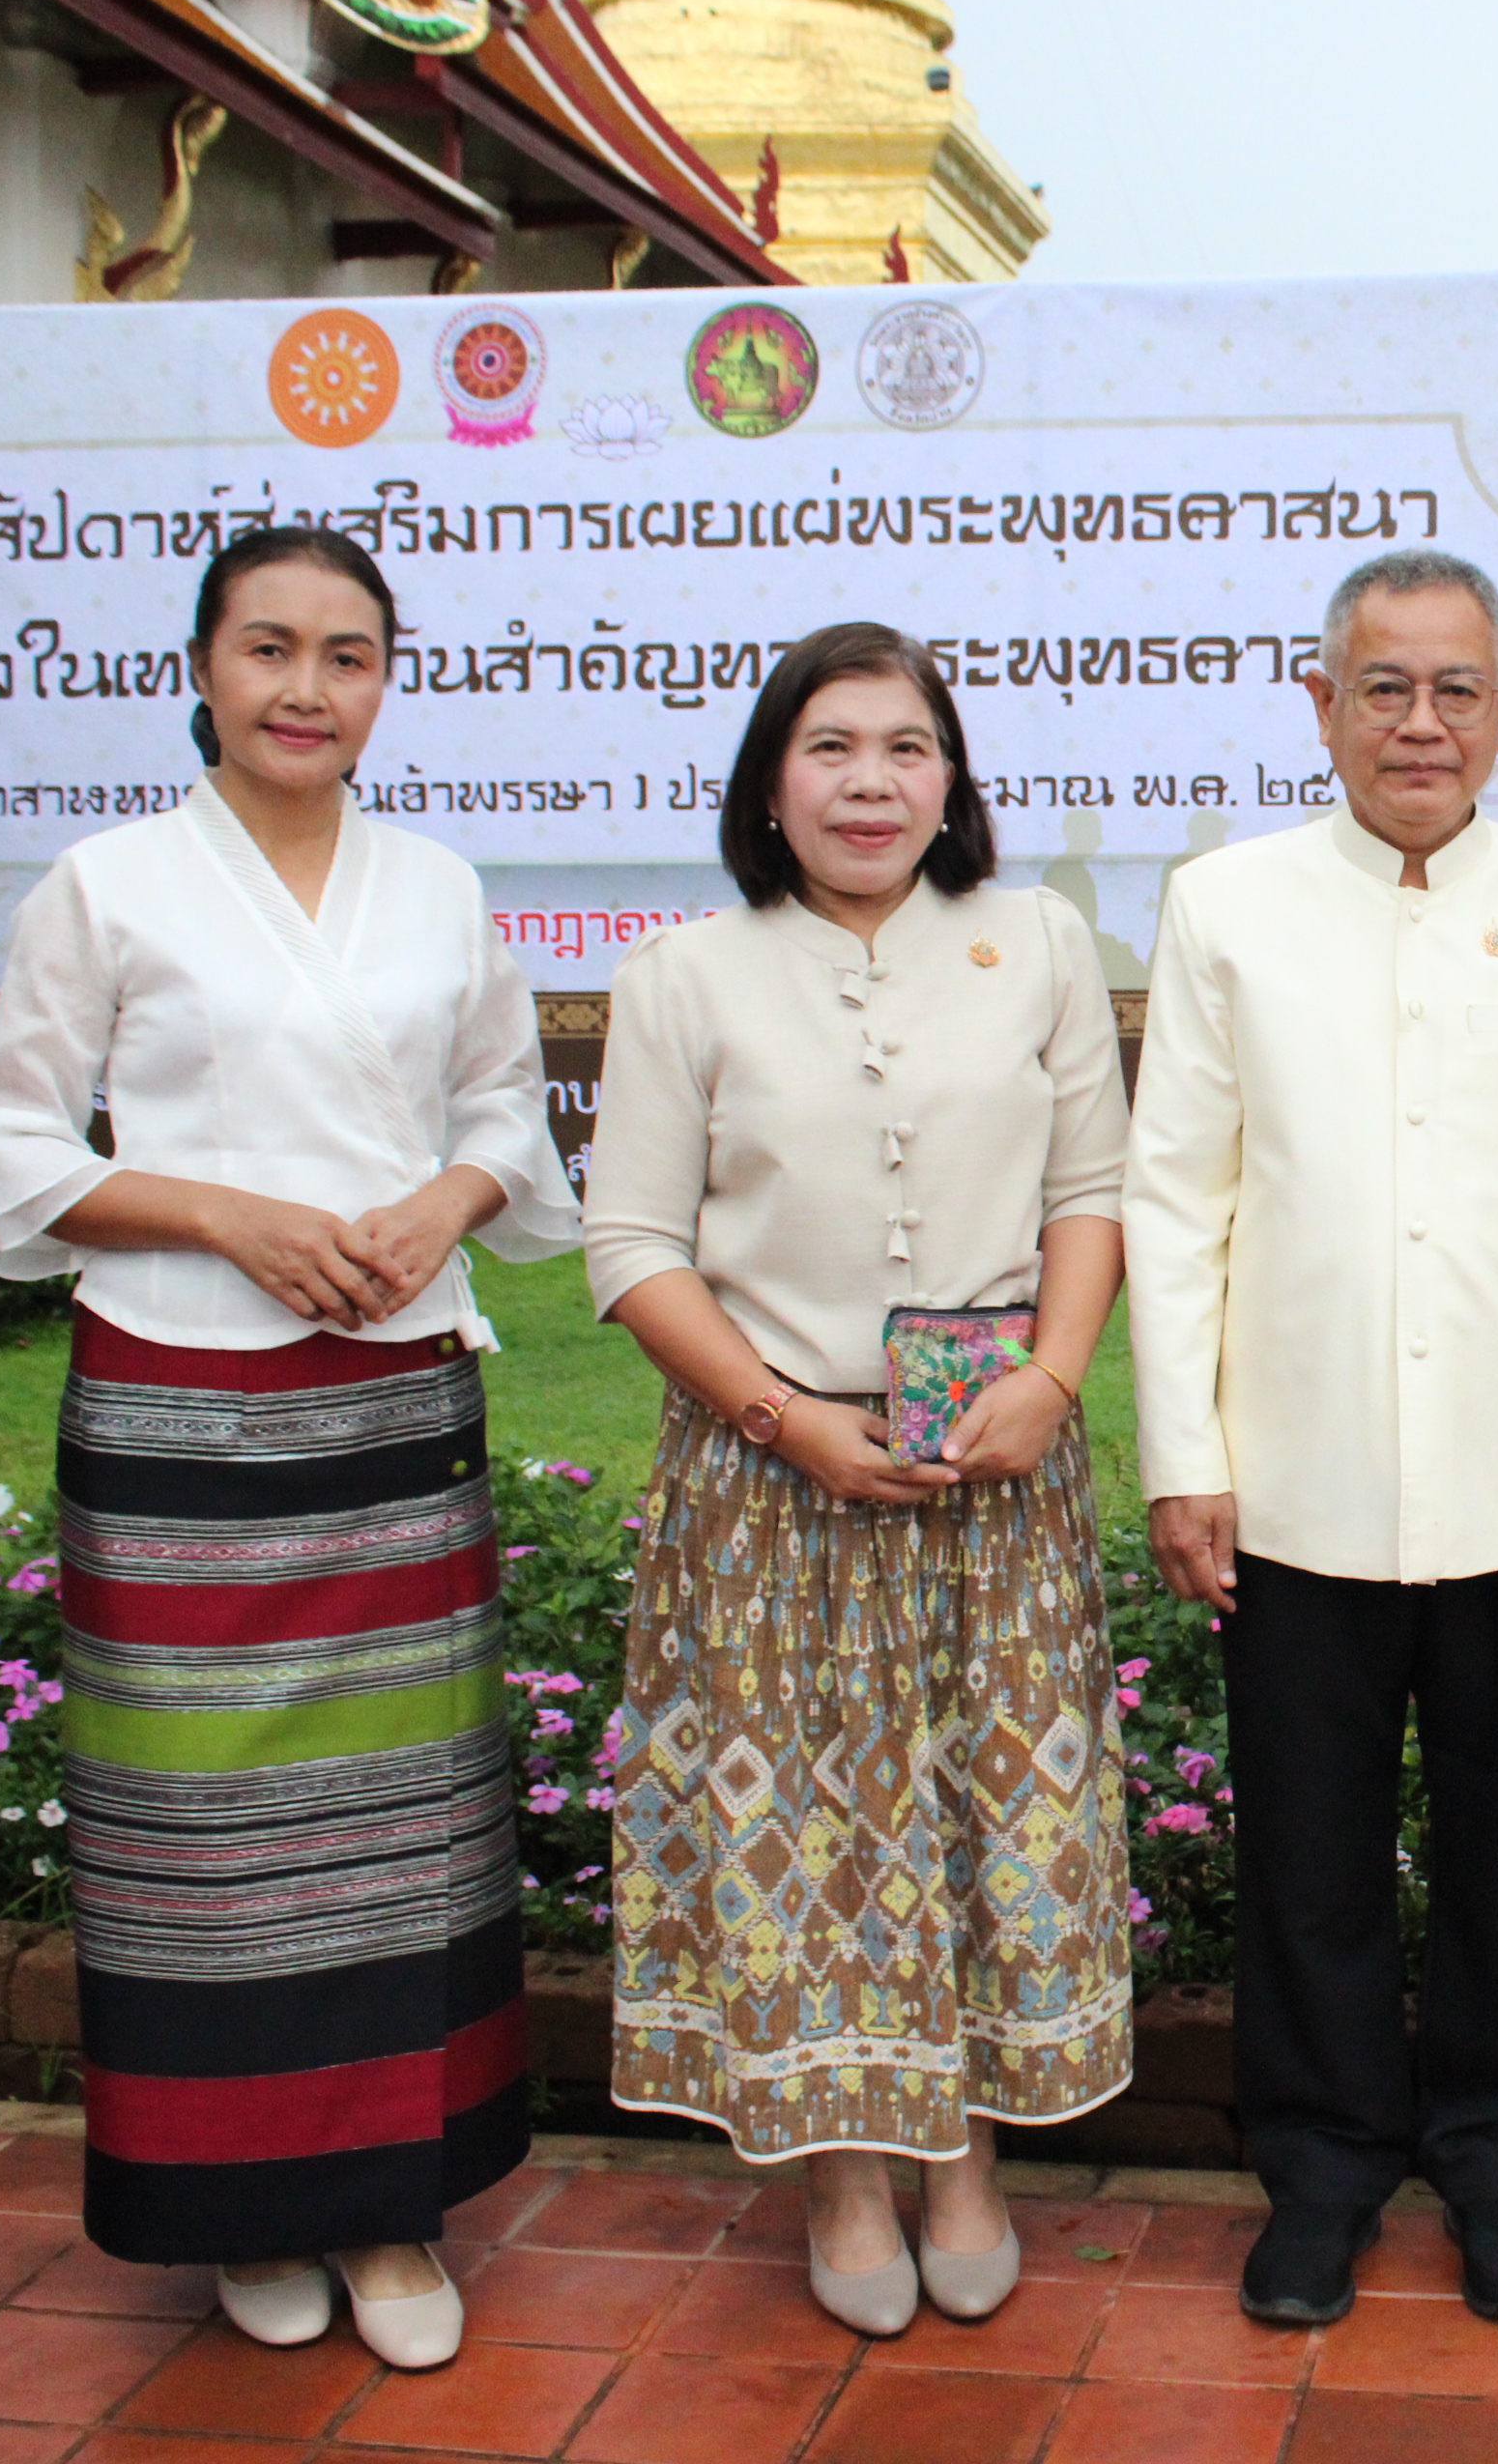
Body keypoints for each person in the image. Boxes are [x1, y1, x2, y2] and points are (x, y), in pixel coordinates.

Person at [0, 528, 582, 2369]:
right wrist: (232, 1219)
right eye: (271, 648)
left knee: (402, 1821)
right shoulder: (108, 883)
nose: (308, 688)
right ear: (205, 666)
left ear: (392, 678)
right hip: (175, 1410)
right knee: (202, 1829)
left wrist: (439, 1200)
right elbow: (20, 1152)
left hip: (392, 1400)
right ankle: (241, 2212)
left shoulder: (438, 885)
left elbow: (499, 1116)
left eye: (348, 654)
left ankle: (390, 2212)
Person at [1126, 547, 1498, 2328]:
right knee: (1310, 1853)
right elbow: (1174, 1203)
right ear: (1323, 704)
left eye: (1456, 689)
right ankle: (1326, 2171)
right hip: (1291, 1483)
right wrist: (1182, 1456)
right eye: (1385, 687)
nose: (1420, 723)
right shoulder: (1225, 908)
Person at [582, 624, 1132, 2337]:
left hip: (995, 1471)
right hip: (776, 1482)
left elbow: (1092, 1196)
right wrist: (777, 1417)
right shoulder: (686, 973)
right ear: (770, 782)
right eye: (831, 748)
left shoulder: (1033, 943)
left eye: (906, 747)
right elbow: (629, 1243)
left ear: (951, 778)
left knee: (977, 1812)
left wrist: (1049, 1381)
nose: (871, 781)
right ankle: (837, 2167)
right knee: (804, 1834)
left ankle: (963, 2154)